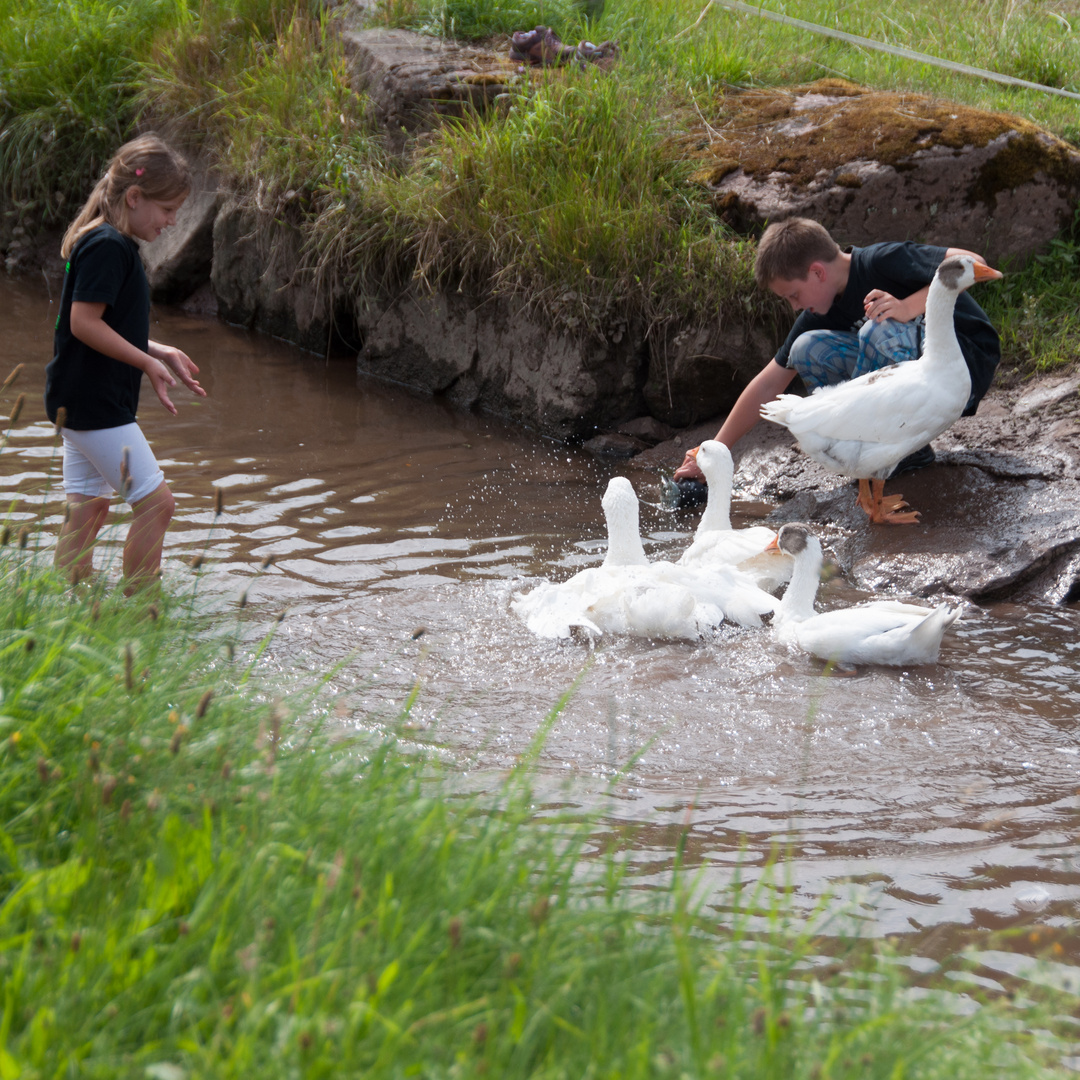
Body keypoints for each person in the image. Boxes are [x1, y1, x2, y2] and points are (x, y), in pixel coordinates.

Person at [674, 217, 1000, 484]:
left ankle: (894, 450)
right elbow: (770, 383)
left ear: (818, 272)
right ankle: (896, 454)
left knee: (880, 330)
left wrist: (907, 307)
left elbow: (973, 263)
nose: (794, 306)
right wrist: (715, 449)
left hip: (963, 369)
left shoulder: (881, 260)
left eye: (793, 295)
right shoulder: (818, 311)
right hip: (917, 391)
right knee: (807, 349)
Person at [44, 133, 207, 590]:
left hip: (78, 400)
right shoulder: (108, 247)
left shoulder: (108, 242)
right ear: (134, 197)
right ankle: (141, 608)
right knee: (158, 504)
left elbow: (104, 322)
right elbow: (82, 323)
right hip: (95, 405)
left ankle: (70, 605)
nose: (173, 221)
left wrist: (157, 350)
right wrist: (144, 362)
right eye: (168, 209)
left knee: (89, 509)